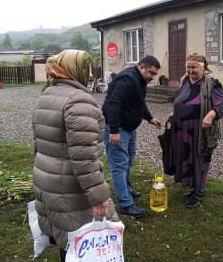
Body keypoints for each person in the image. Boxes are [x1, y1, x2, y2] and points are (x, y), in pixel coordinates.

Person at [32, 49, 118, 261]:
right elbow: (85, 158)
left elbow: (38, 144)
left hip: (48, 180)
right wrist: (99, 198)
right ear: (73, 69)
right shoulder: (78, 101)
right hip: (71, 188)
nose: (90, 73)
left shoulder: (47, 94)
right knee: (81, 243)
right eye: (86, 67)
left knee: (68, 242)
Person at [102, 55, 162, 219]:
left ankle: (127, 190)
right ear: (141, 67)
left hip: (129, 129)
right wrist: (114, 130)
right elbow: (113, 104)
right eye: (151, 73)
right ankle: (126, 204)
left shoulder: (140, 81)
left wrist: (149, 118)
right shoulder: (127, 80)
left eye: (155, 74)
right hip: (118, 130)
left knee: (128, 161)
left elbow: (139, 103)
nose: (152, 77)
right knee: (119, 166)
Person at [167, 53, 223, 208]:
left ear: (203, 67)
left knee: (200, 159)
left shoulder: (211, 83)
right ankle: (192, 186)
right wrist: (175, 113)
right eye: (188, 67)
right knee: (187, 158)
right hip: (183, 129)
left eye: (194, 67)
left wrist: (210, 115)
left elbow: (222, 103)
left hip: (201, 130)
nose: (190, 70)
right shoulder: (186, 81)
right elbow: (184, 99)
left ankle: (199, 192)